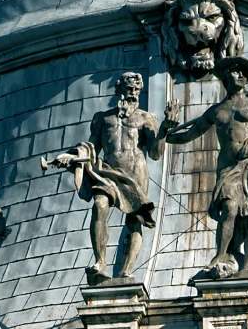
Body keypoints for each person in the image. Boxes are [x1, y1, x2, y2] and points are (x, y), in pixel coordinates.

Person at [159, 52, 248, 278]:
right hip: (229, 168)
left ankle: (246, 269)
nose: (240, 75)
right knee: (229, 209)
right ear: (225, 77)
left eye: (243, 73)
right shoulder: (217, 111)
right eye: (235, 72)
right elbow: (187, 136)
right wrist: (164, 130)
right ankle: (221, 254)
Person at [42, 70, 162, 283]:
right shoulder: (102, 118)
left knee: (135, 220)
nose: (133, 92)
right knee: (99, 204)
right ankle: (100, 263)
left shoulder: (147, 118)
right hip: (107, 171)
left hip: (136, 172)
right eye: (129, 88)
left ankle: (126, 270)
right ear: (119, 89)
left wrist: (166, 129)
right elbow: (90, 149)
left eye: (136, 88)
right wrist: (69, 156)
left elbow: (155, 152)